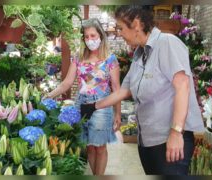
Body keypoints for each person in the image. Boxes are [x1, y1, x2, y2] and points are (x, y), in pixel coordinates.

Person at [81, 6, 205, 175]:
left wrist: (176, 133)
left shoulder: (166, 43)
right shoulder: (140, 53)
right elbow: (124, 90)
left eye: (121, 28)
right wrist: (94, 106)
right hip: (148, 141)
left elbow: (183, 85)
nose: (119, 33)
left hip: (169, 141)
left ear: (137, 24)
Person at [45, 18, 121, 175]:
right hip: (82, 106)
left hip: (102, 106)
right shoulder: (78, 58)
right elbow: (66, 83)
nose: (90, 40)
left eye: (93, 36)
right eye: (86, 37)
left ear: (101, 35)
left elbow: (116, 88)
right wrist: (49, 95)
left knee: (100, 147)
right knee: (89, 147)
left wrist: (118, 114)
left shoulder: (110, 60)